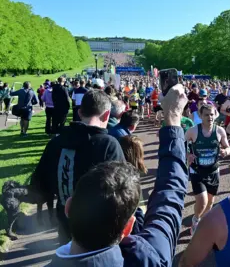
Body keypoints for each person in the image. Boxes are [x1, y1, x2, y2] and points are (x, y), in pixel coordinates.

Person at [48, 84, 189, 266]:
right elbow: (168, 197)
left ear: (69, 207)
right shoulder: (151, 258)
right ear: (128, 227)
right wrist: (173, 118)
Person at [30, 90, 126, 245]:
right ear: (107, 115)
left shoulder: (56, 143)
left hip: (65, 223)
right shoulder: (109, 145)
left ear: (80, 113)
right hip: (98, 228)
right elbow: (123, 190)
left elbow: (39, 186)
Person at [185, 104, 230, 234]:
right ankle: (195, 220)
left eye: (212, 114)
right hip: (197, 171)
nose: (209, 117)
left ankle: (202, 221)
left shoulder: (220, 131)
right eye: (206, 115)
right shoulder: (193, 131)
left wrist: (225, 151)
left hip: (213, 171)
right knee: (202, 200)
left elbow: (227, 147)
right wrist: (188, 154)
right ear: (200, 116)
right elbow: (181, 144)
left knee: (210, 203)